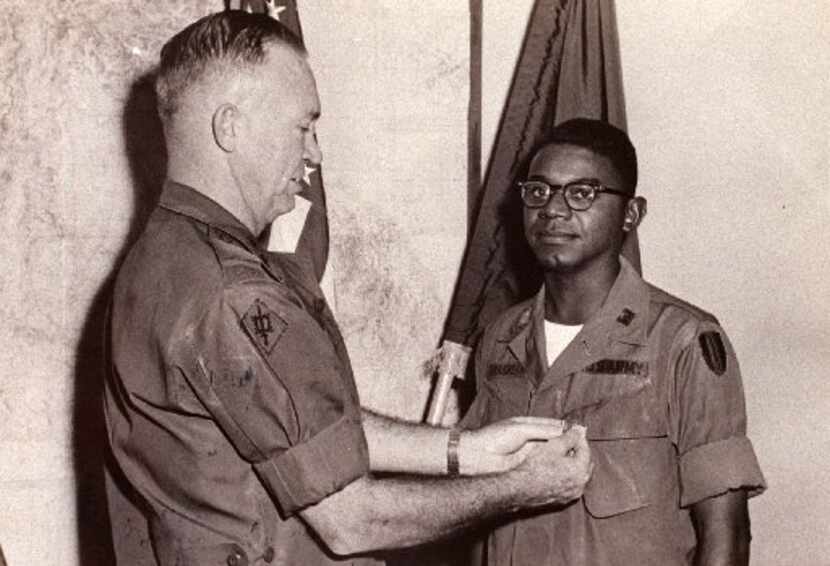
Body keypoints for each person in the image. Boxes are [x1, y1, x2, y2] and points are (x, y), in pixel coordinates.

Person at [103, 11, 594, 566]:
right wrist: (525, 487)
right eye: (302, 126)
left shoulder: (168, 256)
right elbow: (350, 520)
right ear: (230, 127)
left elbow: (309, 430)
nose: (313, 154)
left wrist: (467, 450)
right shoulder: (231, 291)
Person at [459, 118, 767, 566]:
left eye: (581, 193)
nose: (553, 210)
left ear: (630, 214)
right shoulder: (500, 340)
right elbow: (475, 513)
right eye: (538, 192)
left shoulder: (680, 341)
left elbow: (727, 537)